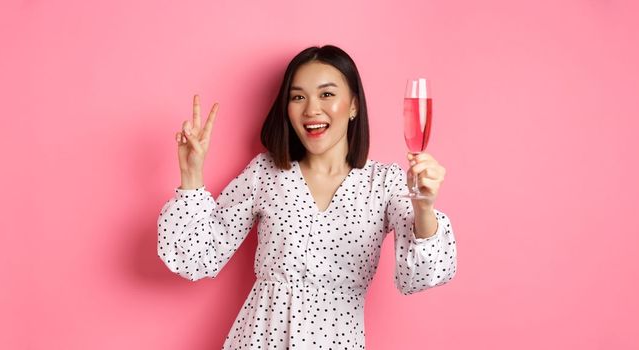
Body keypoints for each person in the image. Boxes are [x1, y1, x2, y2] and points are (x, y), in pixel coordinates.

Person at [158, 45, 457, 349]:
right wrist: (192, 174)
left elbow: (423, 275)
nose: (311, 109)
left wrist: (424, 208)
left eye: (326, 94)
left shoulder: (384, 183)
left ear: (354, 105)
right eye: (298, 97)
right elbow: (196, 257)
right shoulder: (266, 172)